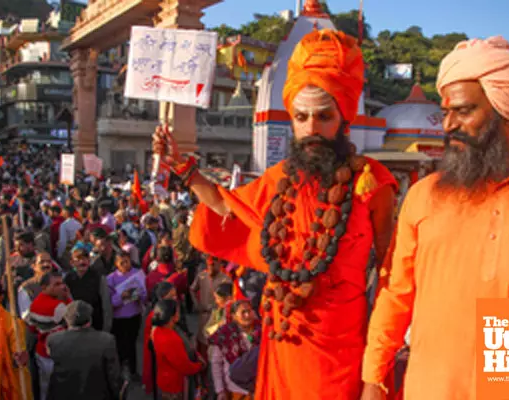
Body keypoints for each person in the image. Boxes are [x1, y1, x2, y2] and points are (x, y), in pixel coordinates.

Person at [155, 29, 396, 399]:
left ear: (343, 117)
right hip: (284, 337)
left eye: (324, 116)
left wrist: (377, 370)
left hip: (345, 350)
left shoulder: (372, 184)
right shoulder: (278, 179)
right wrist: (184, 169)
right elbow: (225, 205)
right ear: (292, 121)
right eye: (302, 117)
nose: (312, 128)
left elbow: (389, 275)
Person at [360, 36, 509, 400]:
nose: (448, 124)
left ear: (508, 111)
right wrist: (373, 381)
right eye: (445, 111)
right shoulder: (425, 196)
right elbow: (395, 297)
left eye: (464, 111)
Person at [46, 300, 124, 400]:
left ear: (66, 319)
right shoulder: (106, 341)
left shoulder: (53, 340)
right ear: (90, 319)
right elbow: (113, 376)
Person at [25, 271, 72, 400]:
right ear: (44, 287)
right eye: (56, 284)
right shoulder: (58, 306)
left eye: (62, 283)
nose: (61, 287)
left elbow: (32, 328)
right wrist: (67, 297)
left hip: (42, 352)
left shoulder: (35, 303)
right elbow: (75, 318)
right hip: (56, 354)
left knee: (45, 388)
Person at [151, 299, 204, 400]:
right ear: (172, 317)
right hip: (174, 384)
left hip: (164, 379)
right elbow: (184, 366)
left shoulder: (158, 329)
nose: (180, 313)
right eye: (178, 311)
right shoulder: (170, 338)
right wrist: (199, 366)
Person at [209, 300, 260, 400]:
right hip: (235, 391)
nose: (247, 315)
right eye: (243, 312)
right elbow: (216, 363)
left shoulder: (262, 331)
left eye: (249, 311)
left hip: (259, 389)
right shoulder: (224, 334)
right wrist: (220, 390)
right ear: (233, 316)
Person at [107, 252, 147, 377]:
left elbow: (145, 296)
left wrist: (140, 294)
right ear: (116, 264)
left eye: (127, 261)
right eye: (121, 262)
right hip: (118, 317)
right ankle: (119, 371)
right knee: (119, 344)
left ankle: (133, 371)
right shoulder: (111, 279)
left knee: (132, 344)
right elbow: (110, 302)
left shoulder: (137, 274)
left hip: (134, 315)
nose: (125, 265)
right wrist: (121, 296)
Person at [190, 256, 231, 355]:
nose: (211, 268)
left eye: (213, 265)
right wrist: (197, 304)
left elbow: (229, 298)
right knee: (202, 344)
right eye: (208, 265)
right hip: (203, 316)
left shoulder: (226, 279)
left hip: (217, 317)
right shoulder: (201, 276)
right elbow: (192, 289)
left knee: (214, 347)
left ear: (219, 264)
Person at [64, 248, 113, 332]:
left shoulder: (99, 278)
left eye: (84, 259)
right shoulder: (67, 279)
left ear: (89, 261)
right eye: (78, 259)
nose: (82, 262)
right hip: (74, 325)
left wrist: (106, 327)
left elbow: (106, 303)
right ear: (72, 263)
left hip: (95, 324)